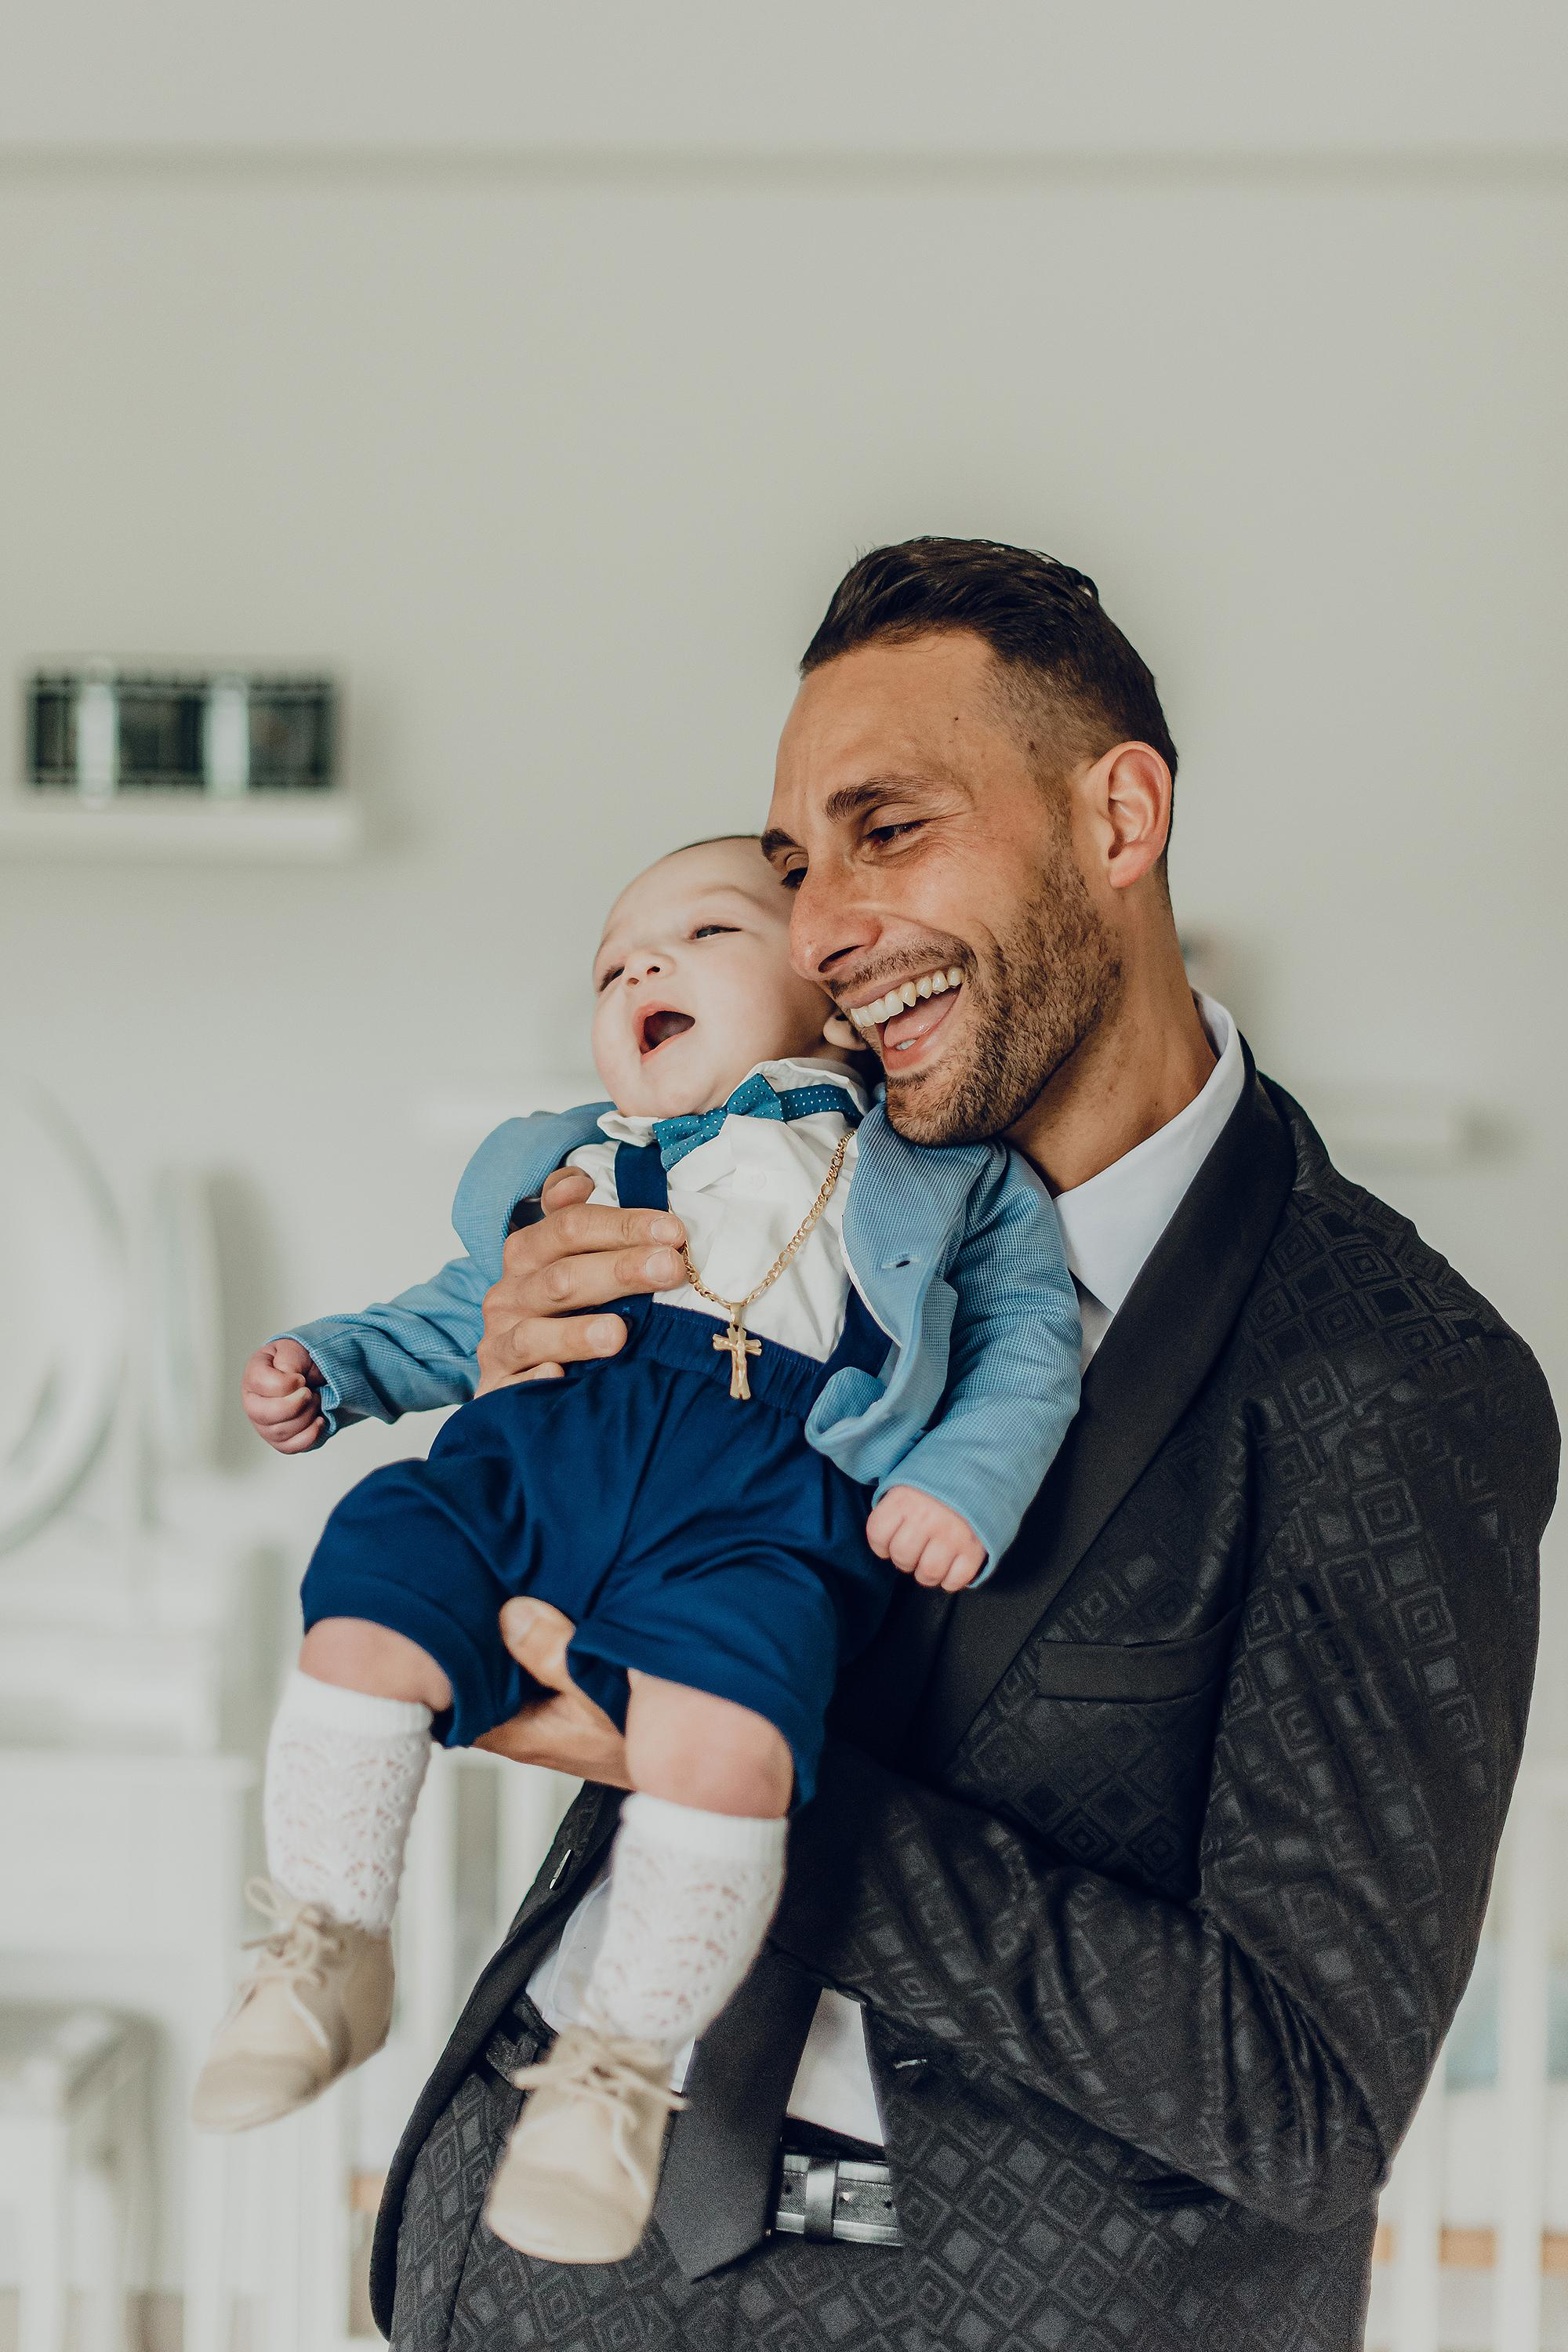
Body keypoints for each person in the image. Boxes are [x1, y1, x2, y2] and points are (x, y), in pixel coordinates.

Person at [372, 538, 1559, 2352]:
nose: (824, 926)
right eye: (791, 868)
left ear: (1120, 815)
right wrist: (545, 1413)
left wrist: (727, 1775)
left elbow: (1302, 2099)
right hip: (513, 2263)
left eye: (888, 829)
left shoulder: (1391, 1380)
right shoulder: (766, 1218)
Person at [191, 832, 1079, 2267]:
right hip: (537, 1468)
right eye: (613, 964)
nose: (641, 967)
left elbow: (1028, 1344)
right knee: (373, 1577)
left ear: (829, 983)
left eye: (703, 936)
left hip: (765, 1502)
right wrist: (334, 1366)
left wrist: (967, 1484)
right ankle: (329, 1937)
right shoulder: (576, 1171)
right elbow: (456, 1312)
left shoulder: (941, 1177)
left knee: (729, 1740)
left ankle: (616, 2072)